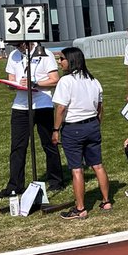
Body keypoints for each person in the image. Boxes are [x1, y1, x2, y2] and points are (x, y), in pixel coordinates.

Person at [0, 40, 65, 199]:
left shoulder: (44, 54)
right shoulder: (14, 55)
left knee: (48, 143)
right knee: (18, 146)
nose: (19, 48)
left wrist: (36, 83)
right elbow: (11, 78)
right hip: (20, 106)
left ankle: (56, 180)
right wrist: (12, 84)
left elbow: (55, 79)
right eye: (16, 45)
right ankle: (15, 185)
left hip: (42, 104)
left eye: (21, 44)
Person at [51, 47, 112, 219]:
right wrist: (96, 124)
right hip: (92, 125)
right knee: (97, 165)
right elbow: (100, 107)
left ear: (70, 60)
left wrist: (56, 129)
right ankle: (106, 201)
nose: (59, 62)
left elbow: (61, 108)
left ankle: (80, 208)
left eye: (61, 59)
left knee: (77, 169)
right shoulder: (93, 80)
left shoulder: (66, 81)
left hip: (73, 128)